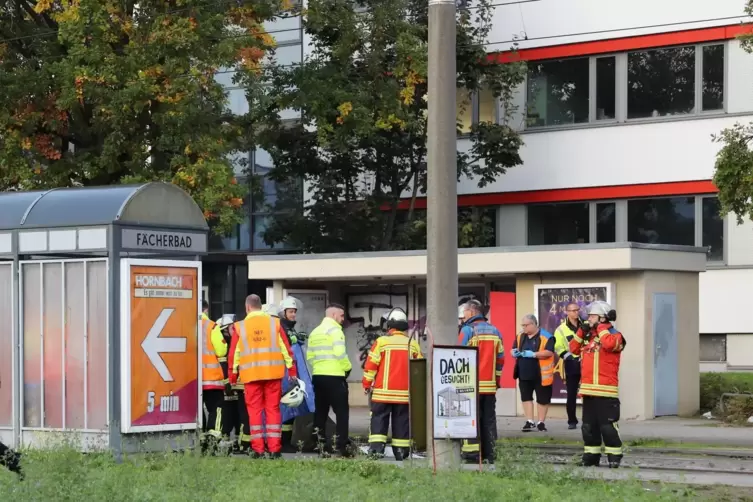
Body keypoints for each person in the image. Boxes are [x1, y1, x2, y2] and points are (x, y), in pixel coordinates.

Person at [230, 294, 297, 459]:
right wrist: (292, 371)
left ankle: (258, 450)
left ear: (247, 307)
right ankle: (274, 449)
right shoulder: (275, 323)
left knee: (254, 412)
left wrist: (232, 375)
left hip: (251, 376)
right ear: (261, 306)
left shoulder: (240, 327)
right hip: (273, 374)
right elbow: (286, 349)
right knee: (273, 410)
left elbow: (234, 354)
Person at [570, 301, 626, 468]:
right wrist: (581, 331)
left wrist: (601, 327)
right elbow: (573, 348)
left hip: (606, 391)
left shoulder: (615, 335)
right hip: (588, 390)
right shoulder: (590, 336)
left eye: (593, 316)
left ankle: (614, 457)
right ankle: (591, 456)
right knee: (588, 427)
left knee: (607, 427)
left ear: (602, 317)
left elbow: (609, 344)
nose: (589, 319)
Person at [363, 308, 423, 461]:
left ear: (390, 326)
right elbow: (419, 370)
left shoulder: (381, 342)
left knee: (378, 421)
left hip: (382, 394)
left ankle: (376, 451)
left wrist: (366, 384)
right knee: (402, 423)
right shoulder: (413, 344)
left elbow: (370, 366)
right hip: (404, 395)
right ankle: (401, 452)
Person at [458, 300, 504, 464]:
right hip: (489, 386)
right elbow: (500, 360)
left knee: (471, 420)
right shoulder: (495, 331)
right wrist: (496, 381)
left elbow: (459, 357)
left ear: (471, 312)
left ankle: (472, 455)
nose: (462, 317)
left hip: (470, 386)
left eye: (464, 313)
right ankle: (490, 454)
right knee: (489, 420)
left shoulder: (467, 330)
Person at [307, 303, 354, 457]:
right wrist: (347, 368)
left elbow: (310, 357)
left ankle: (319, 445)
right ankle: (341, 447)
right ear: (334, 315)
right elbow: (340, 353)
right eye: (341, 316)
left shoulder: (315, 332)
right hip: (335, 377)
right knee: (342, 413)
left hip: (318, 377)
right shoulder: (336, 331)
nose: (343, 319)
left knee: (320, 412)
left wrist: (319, 369)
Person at [277, 297, 314, 453]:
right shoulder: (281, 328)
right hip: (285, 375)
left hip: (292, 375)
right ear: (283, 313)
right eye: (291, 312)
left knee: (292, 408)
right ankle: (283, 443)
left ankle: (286, 441)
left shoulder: (289, 328)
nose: (293, 315)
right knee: (286, 408)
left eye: (294, 312)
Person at [512, 314, 555, 432]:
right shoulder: (521, 335)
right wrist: (514, 351)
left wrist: (534, 354)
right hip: (524, 372)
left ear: (534, 324)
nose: (524, 328)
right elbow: (515, 347)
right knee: (526, 397)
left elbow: (549, 352)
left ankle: (541, 422)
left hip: (540, 373)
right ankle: (529, 421)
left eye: (526, 325)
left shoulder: (547, 336)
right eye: (523, 325)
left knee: (543, 398)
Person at [200, 313, 231, 454]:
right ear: (205, 309)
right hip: (210, 377)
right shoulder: (211, 326)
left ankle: (200, 439)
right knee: (217, 407)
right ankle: (212, 437)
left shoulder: (183, 322)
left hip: (190, 379)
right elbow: (221, 350)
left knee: (197, 411)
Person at [553, 302, 583, 429]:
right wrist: (569, 357)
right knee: (571, 393)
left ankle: (588, 420)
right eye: (573, 310)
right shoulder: (561, 329)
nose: (576, 312)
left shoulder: (586, 325)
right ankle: (572, 421)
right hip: (572, 363)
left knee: (588, 393)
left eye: (577, 310)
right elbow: (558, 347)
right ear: (567, 312)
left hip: (587, 361)